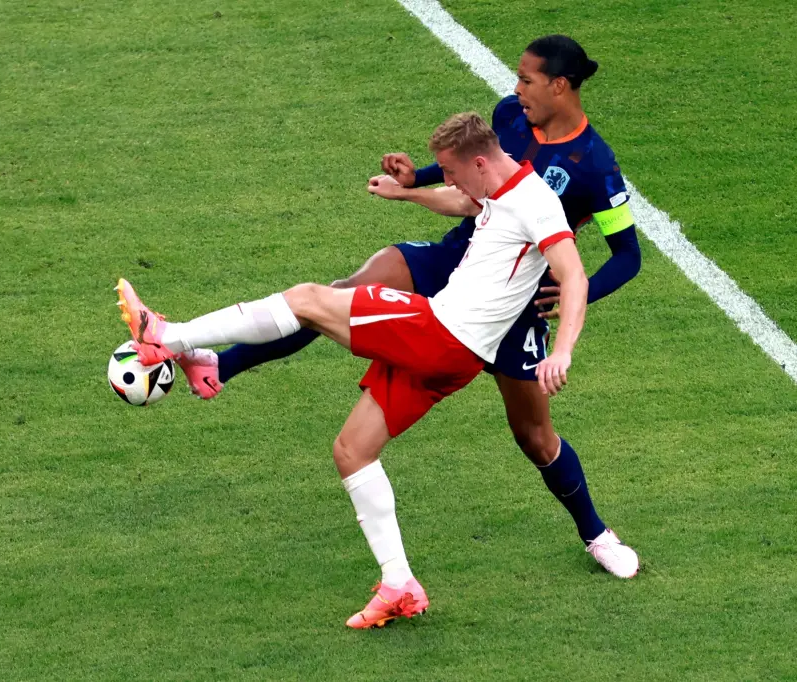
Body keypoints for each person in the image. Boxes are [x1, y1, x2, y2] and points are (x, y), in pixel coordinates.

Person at [178, 35, 642, 578]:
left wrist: (571, 292)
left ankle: (595, 533)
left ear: (559, 86)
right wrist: (413, 180)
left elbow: (627, 255)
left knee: (535, 436)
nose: (517, 89)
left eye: (528, 80)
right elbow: (473, 177)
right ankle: (221, 365)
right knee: (339, 293)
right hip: (458, 256)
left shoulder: (595, 166)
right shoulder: (509, 116)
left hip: (510, 305)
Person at [117, 112, 602, 628]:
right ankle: (399, 583)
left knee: (309, 299)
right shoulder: (495, 184)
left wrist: (563, 350)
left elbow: (573, 275)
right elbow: (463, 201)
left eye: (451, 169)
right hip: (453, 357)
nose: (449, 178)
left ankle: (170, 338)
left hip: (439, 333)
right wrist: (407, 193)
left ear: (479, 161)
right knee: (352, 451)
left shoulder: (535, 202)